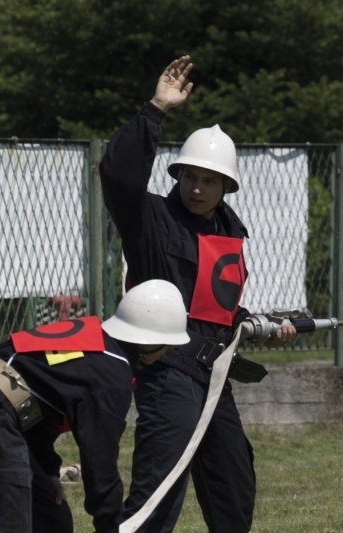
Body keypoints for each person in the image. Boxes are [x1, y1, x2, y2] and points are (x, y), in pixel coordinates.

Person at [99, 55, 296, 532]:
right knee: (158, 497)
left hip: (214, 375)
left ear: (226, 186)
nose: (197, 187)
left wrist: (261, 322)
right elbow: (118, 177)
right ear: (178, 175)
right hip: (167, 372)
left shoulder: (229, 232)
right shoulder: (152, 220)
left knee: (234, 488)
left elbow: (212, 305)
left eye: (209, 180)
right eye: (190, 176)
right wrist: (155, 110)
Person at [0, 279, 190, 533]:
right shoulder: (111, 374)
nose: (167, 353)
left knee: (52, 521)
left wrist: (49, 470)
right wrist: (110, 525)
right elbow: (100, 462)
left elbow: (38, 397)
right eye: (168, 345)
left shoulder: (95, 344)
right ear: (150, 340)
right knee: (7, 524)